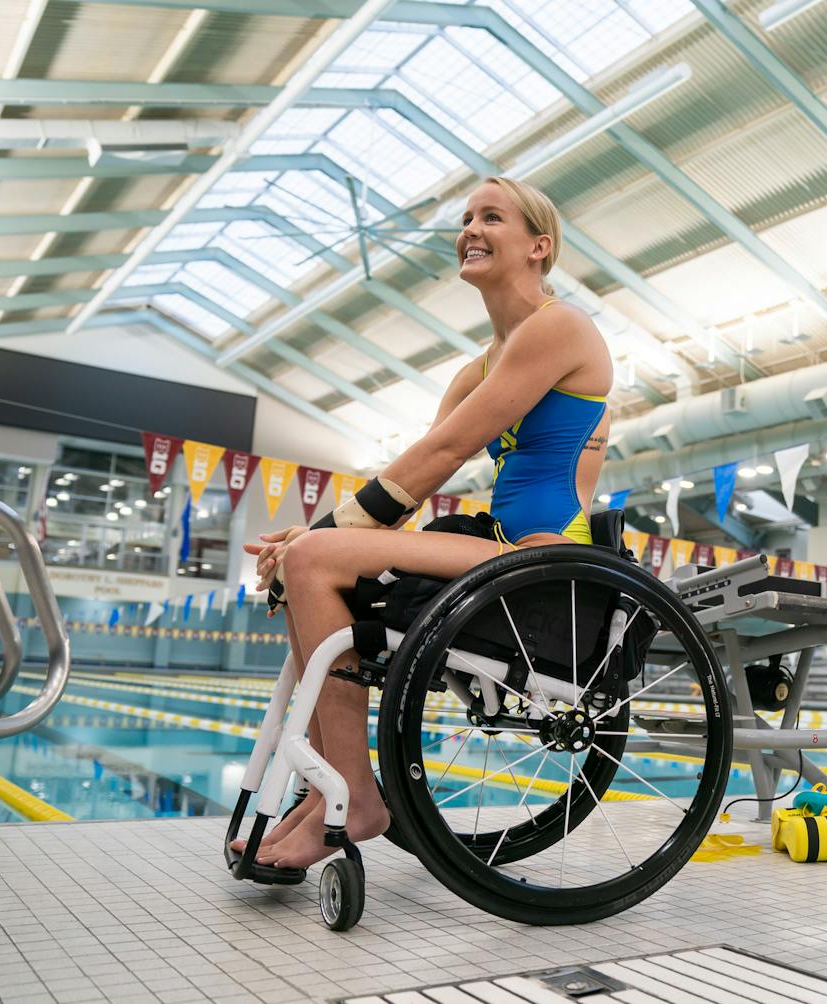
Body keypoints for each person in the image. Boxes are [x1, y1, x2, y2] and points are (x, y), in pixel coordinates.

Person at [238, 176, 613, 870]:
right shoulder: (476, 370)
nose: (469, 228)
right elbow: (411, 484)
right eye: (466, 217)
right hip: (497, 551)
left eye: (491, 217)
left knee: (317, 556)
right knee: (312, 566)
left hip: (542, 557)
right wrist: (311, 536)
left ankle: (355, 791)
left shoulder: (561, 328)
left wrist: (319, 535)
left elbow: (443, 454)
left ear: (540, 246)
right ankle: (330, 791)